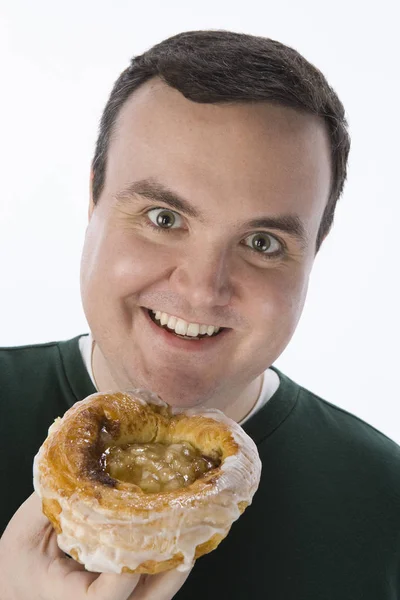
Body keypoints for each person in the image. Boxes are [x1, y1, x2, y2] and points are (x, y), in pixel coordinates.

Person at [0, 29, 399, 600]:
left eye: (262, 243)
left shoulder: (386, 511)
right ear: (93, 200)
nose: (200, 290)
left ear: (316, 250)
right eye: (164, 218)